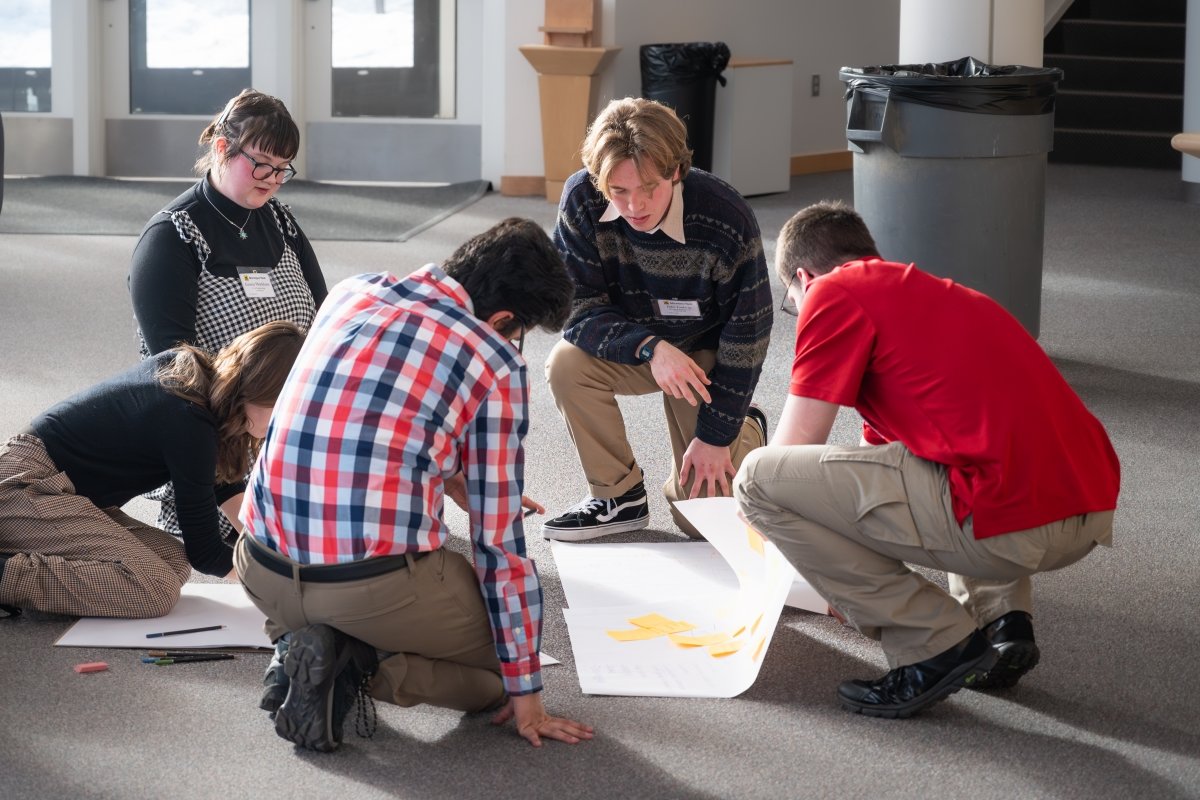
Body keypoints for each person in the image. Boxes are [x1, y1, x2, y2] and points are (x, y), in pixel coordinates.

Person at [733, 201, 1120, 719]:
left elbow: (795, 447)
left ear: (803, 278)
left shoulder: (833, 291)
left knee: (756, 479)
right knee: (949, 459)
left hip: (1014, 524)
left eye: (792, 303)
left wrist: (769, 535)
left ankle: (932, 643)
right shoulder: (937, 295)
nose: (799, 313)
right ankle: (1001, 622)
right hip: (1088, 507)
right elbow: (877, 467)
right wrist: (836, 561)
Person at [234, 218, 594, 753]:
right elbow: (499, 544)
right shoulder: (496, 361)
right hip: (366, 590)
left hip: (259, 569)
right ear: (501, 319)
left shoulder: (351, 292)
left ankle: (299, 642)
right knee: (505, 665)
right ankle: (362, 664)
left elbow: (355, 416)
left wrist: (446, 475)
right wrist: (527, 692)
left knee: (349, 595)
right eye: (516, 332)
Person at [542, 97, 772, 541]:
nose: (635, 205)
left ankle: (745, 428)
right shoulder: (581, 199)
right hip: (635, 346)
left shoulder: (725, 216)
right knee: (565, 365)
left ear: (676, 171)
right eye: (618, 191)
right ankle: (618, 496)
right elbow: (574, 306)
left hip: (703, 356)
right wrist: (651, 347)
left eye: (649, 187)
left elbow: (749, 332)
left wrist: (717, 434)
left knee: (700, 523)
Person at [127, 88, 328, 544]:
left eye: (283, 168)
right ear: (222, 148)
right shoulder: (171, 236)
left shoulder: (280, 222)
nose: (273, 179)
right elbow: (175, 373)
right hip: (223, 439)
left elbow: (324, 320)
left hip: (290, 422)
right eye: (261, 164)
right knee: (279, 542)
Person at [0, 321, 304, 619]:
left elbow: (222, 487)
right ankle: (6, 572)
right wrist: (283, 590)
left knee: (173, 562)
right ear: (259, 389)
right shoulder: (189, 419)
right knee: (155, 589)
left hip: (64, 492)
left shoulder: (202, 386)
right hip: (22, 485)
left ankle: (30, 554)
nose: (286, 422)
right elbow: (206, 553)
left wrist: (274, 553)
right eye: (285, 409)